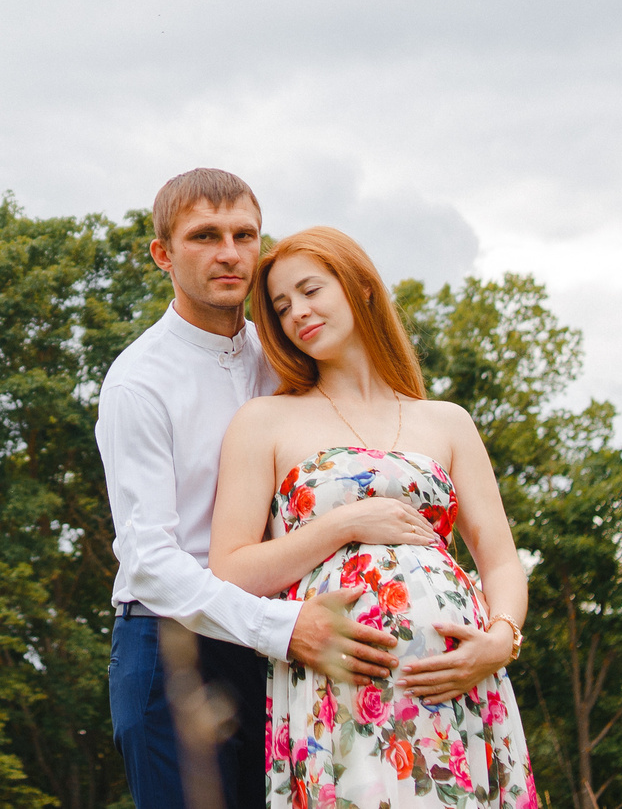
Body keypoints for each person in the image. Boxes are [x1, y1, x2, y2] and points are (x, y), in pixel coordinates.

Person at [99, 171, 401, 809]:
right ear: (163, 254)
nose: (230, 253)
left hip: (290, 649)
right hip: (173, 649)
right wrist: (283, 627)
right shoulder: (138, 382)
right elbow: (149, 562)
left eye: (245, 235)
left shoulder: (288, 351)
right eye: (205, 236)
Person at [211, 226, 539, 809]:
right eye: (281, 308)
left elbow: (502, 560)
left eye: (311, 290)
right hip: (340, 691)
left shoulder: (447, 421)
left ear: (361, 288)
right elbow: (231, 571)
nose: (297, 315)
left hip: (459, 687)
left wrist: (499, 641)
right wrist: (345, 523)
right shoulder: (264, 421)